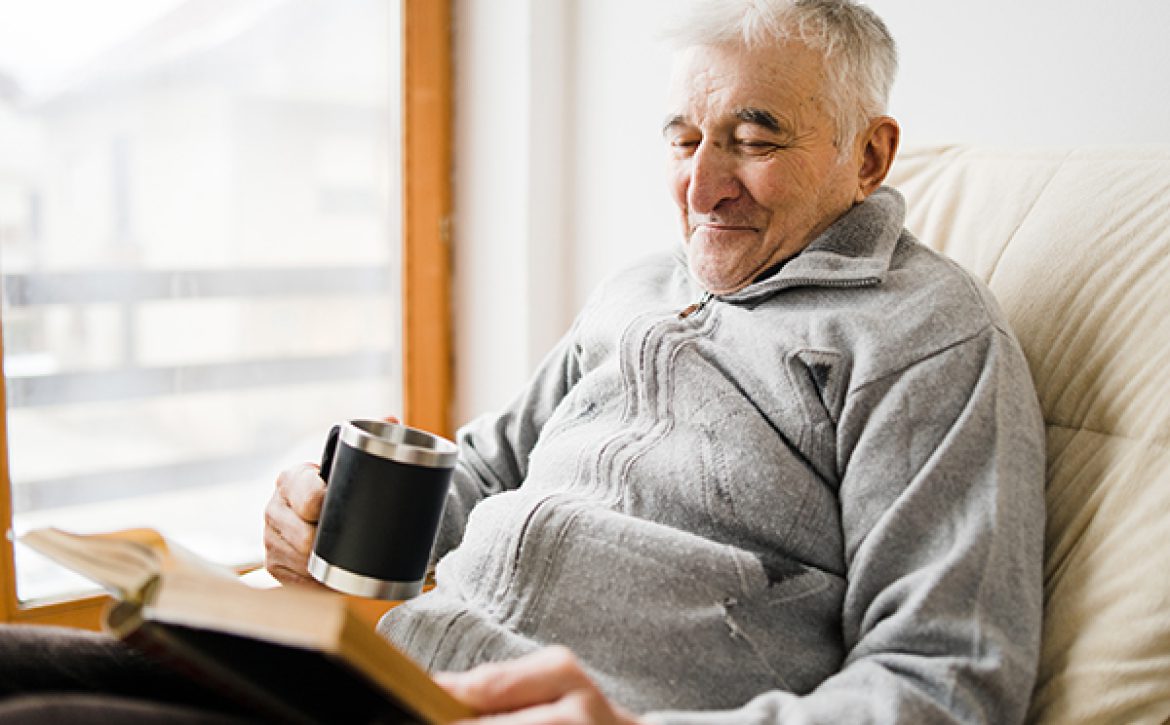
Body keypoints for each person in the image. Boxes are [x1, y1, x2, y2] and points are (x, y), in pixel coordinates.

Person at [1, 1, 1045, 723]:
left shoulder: (925, 334)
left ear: (869, 154)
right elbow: (485, 473)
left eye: (755, 138)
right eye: (685, 139)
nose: (703, 185)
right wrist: (321, 510)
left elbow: (946, 682)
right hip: (388, 671)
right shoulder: (640, 287)